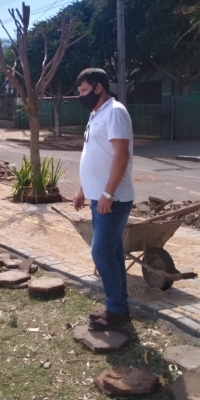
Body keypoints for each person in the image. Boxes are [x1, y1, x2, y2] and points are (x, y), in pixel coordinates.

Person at [73, 68, 135, 331]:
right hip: (99, 198)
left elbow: (121, 156)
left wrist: (108, 193)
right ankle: (118, 307)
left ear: (99, 88)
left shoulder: (115, 111)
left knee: (100, 252)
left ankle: (116, 311)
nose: (81, 96)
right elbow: (96, 154)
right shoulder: (96, 114)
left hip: (114, 198)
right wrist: (82, 189)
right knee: (113, 253)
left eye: (84, 91)